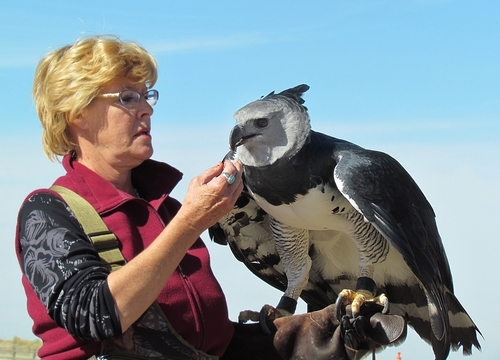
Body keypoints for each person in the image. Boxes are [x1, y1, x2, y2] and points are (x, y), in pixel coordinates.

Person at [15, 35, 406, 360]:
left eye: (147, 95)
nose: (147, 109)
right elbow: (93, 314)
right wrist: (190, 223)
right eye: (127, 98)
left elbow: (209, 345)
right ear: (76, 113)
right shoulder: (48, 211)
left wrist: (321, 339)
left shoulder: (165, 211)